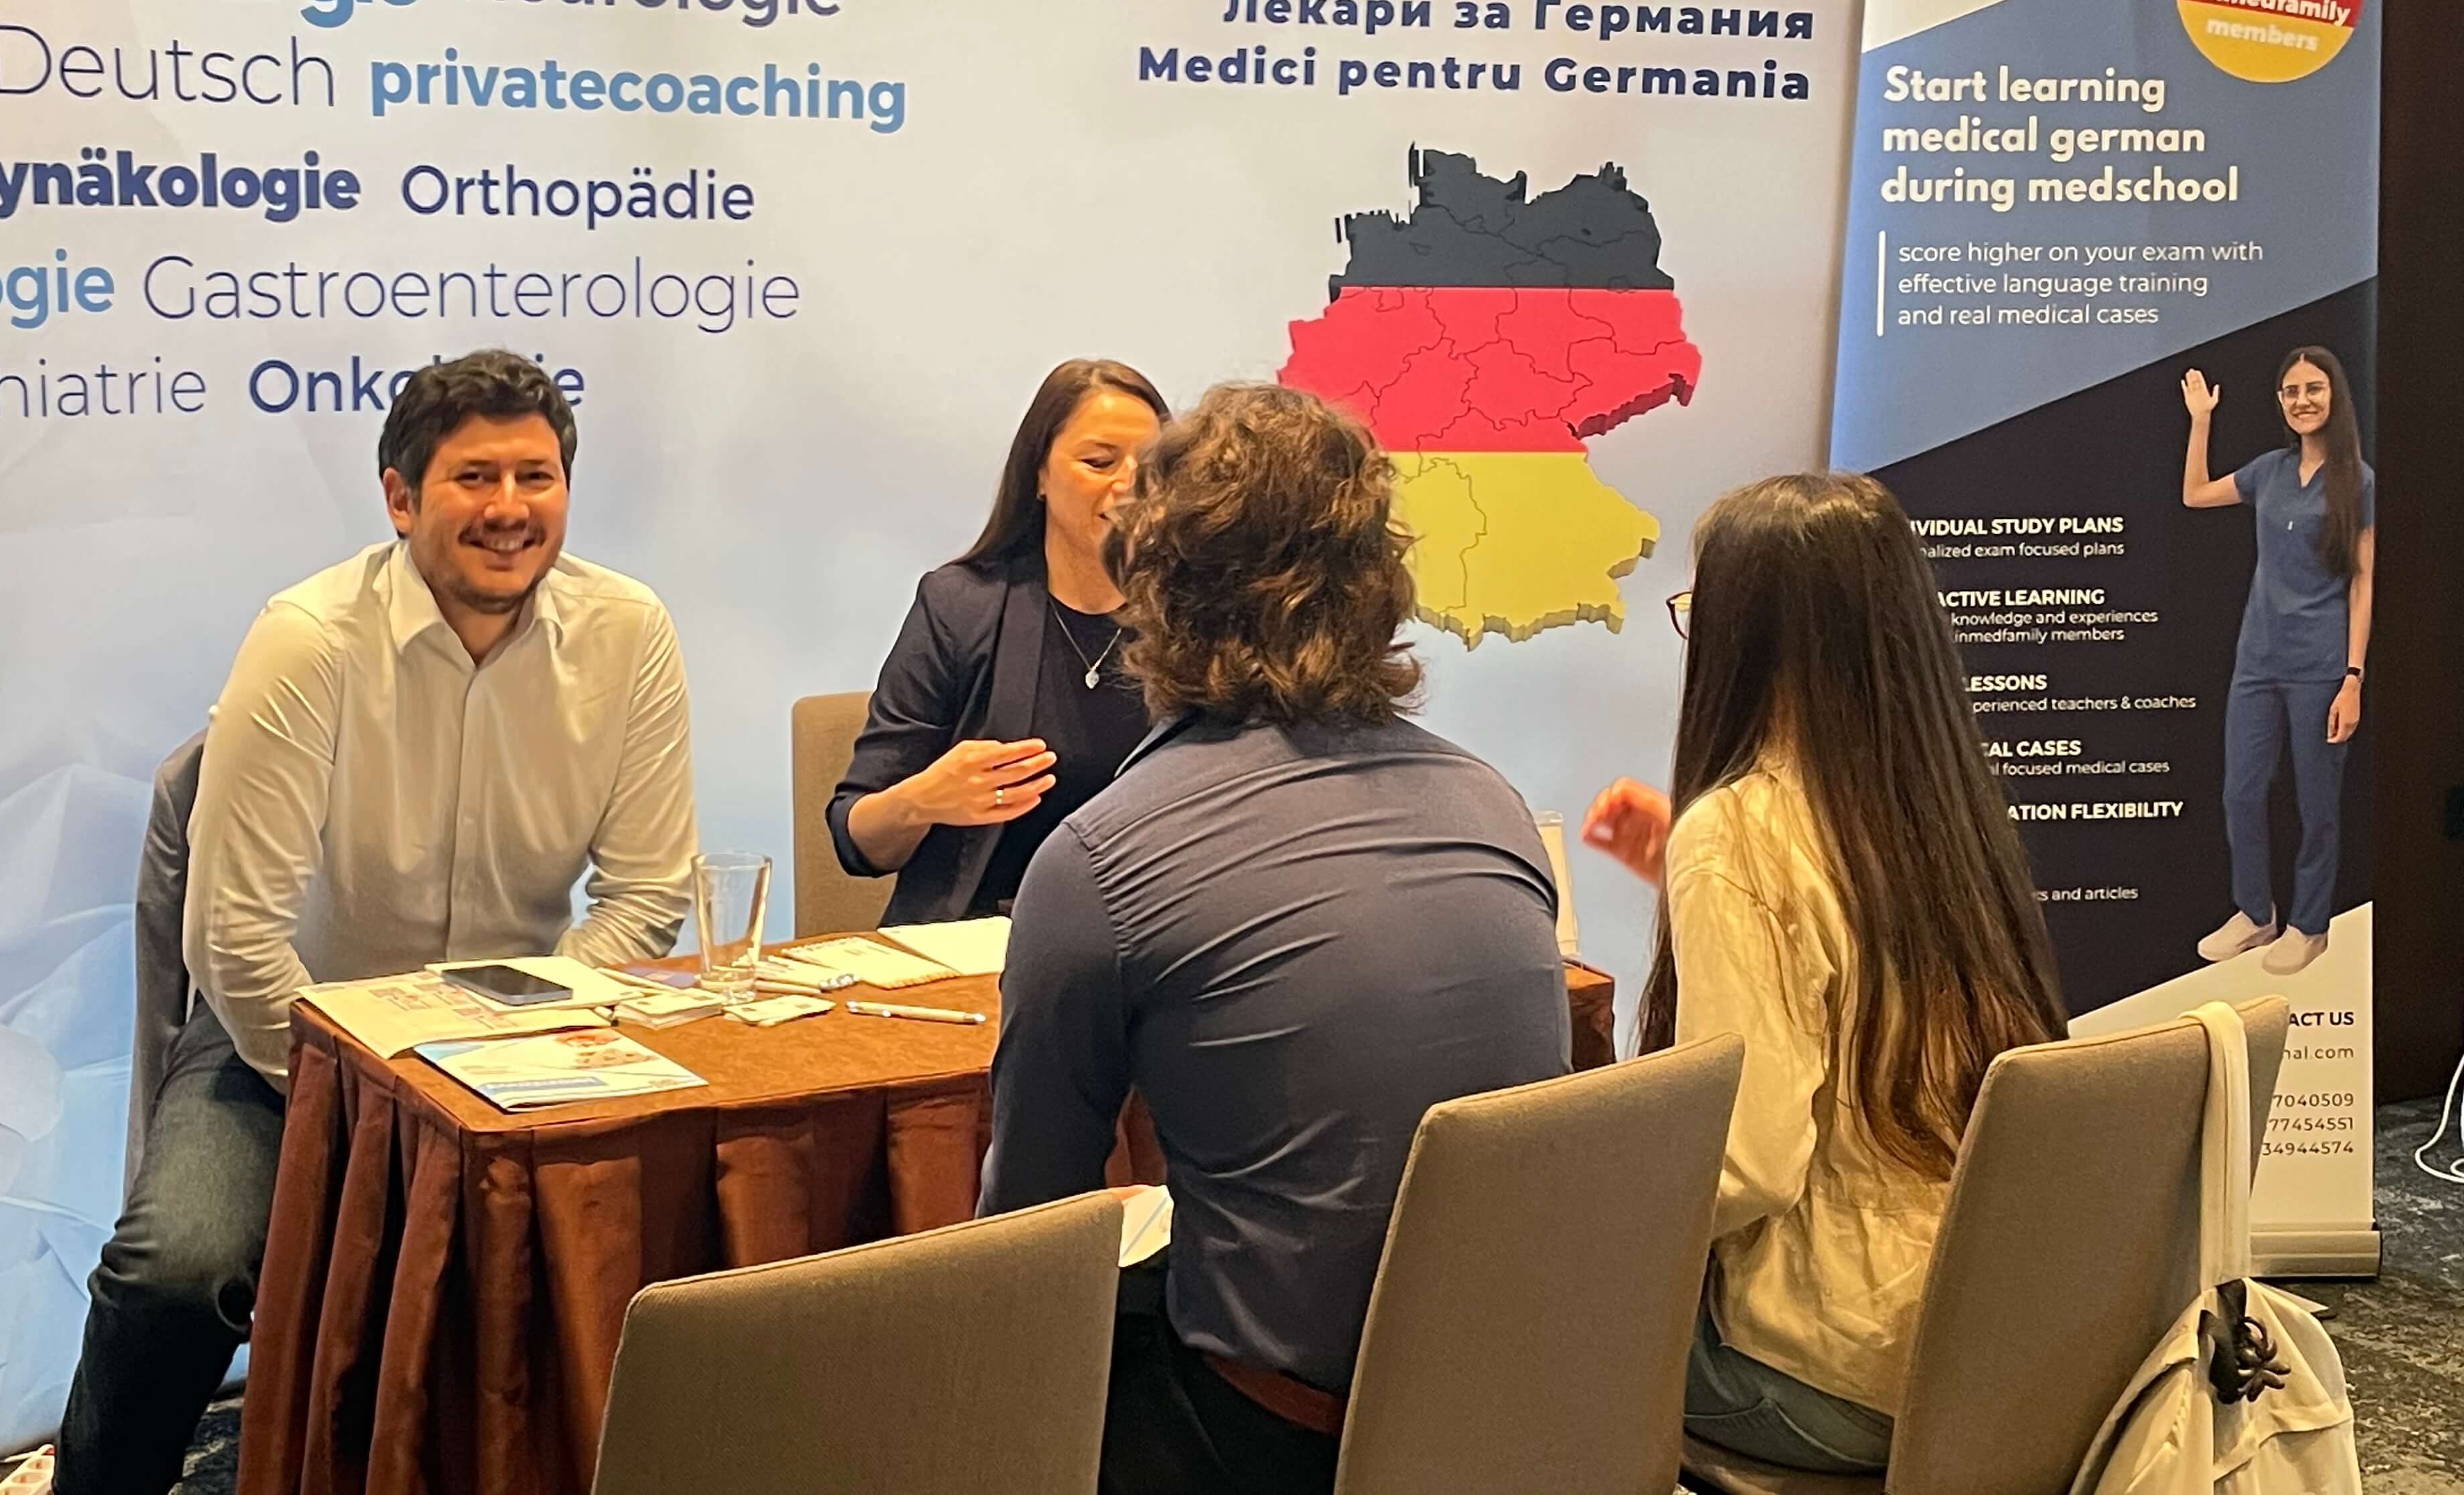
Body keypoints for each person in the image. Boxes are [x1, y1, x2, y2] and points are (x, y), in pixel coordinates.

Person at [53, 351, 697, 1495]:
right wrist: (377, 1101)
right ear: (400, 498)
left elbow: (649, 893)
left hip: (523, 1038)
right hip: (290, 1040)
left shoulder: (628, 631)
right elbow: (236, 937)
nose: (510, 508)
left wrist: (518, 1044)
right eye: (474, 477)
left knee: (676, 1237)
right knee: (176, 1268)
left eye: (536, 476)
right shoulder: (310, 639)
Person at [981, 383, 1568, 1495]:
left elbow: (1027, 1246)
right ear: (1380, 582)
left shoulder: (1100, 859)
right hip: (1517, 1417)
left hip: (1283, 1437)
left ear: (1150, 587)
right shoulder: (1492, 803)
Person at [1582, 472, 2066, 1472]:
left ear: (1745, 638)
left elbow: (1751, 1164)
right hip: (1992, 1344)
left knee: (1536, 1326)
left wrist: (1581, 1213)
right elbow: (1851, 945)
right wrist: (1696, 872)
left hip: (1830, 1369)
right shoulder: (1936, 807)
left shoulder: (1738, 834)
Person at [828, 359, 1168, 923]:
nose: (1130, 485)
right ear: (1039, 475)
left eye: (1152, 466)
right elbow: (856, 837)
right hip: (982, 941)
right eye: (1099, 462)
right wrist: (924, 799)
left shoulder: (1196, 617)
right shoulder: (961, 606)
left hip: (1150, 937)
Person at [2182, 345, 2375, 976]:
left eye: (2313, 388)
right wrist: (2202, 421)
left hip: (2320, 666)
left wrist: (2353, 678)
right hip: (2257, 662)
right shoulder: (2269, 470)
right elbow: (2195, 495)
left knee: (2317, 806)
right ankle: (2255, 913)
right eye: (2291, 391)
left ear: (2334, 395)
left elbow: (2363, 584)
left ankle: (2310, 926)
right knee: (2240, 792)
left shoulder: (2357, 481)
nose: (2302, 400)